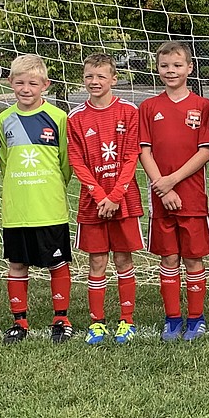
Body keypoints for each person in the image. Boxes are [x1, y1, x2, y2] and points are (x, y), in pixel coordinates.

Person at [138, 41, 209, 342]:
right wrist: (162, 186)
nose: (170, 71)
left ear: (189, 68)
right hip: (162, 199)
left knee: (194, 259)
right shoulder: (148, 107)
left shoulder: (203, 107)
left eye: (177, 65)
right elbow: (144, 151)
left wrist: (172, 180)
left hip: (192, 196)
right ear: (157, 69)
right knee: (169, 258)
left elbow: (205, 151)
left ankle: (196, 318)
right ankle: (172, 319)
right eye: (164, 66)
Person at [0, 54, 73, 344]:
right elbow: (5, 161)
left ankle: (61, 318)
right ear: (10, 83)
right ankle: (19, 321)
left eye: (32, 83)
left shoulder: (58, 118)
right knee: (17, 265)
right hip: (17, 208)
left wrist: (50, 187)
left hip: (49, 207)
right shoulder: (3, 120)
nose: (25, 88)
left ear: (45, 85)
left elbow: (66, 164)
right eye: (19, 83)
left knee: (57, 263)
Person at [67, 53, 142, 345]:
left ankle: (127, 320)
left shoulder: (128, 111)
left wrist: (115, 195)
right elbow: (77, 160)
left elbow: (131, 155)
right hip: (93, 203)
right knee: (97, 262)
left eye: (101, 76)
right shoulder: (76, 117)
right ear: (83, 79)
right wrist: (100, 196)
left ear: (114, 79)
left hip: (123, 199)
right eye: (89, 76)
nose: (94, 81)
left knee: (124, 260)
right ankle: (96, 323)